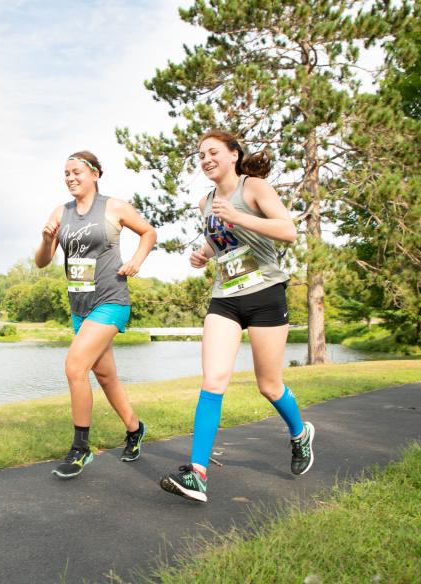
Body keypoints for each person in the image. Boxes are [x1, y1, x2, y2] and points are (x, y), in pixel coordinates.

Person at [158, 130, 313, 503]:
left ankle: (300, 434)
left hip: (265, 295)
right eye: (200, 155)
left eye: (213, 152)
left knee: (269, 385)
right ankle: (197, 473)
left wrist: (240, 217)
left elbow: (288, 231)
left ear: (233, 155)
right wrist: (203, 253)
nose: (206, 159)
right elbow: (221, 241)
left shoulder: (254, 187)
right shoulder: (205, 202)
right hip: (225, 297)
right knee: (213, 380)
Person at [35, 150, 157, 479]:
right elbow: (42, 261)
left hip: (111, 300)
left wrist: (136, 261)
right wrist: (47, 240)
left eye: (76, 172)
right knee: (105, 376)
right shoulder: (61, 213)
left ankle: (81, 448)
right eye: (66, 173)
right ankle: (135, 429)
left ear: (95, 174)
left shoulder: (113, 207)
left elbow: (149, 233)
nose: (71, 178)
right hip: (80, 306)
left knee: (75, 367)